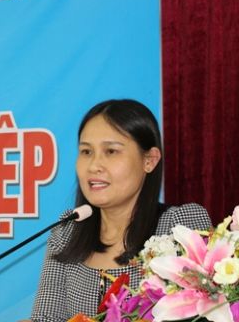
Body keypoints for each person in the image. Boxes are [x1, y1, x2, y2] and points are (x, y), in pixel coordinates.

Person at [29, 99, 212, 322]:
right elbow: (45, 317)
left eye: (111, 151)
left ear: (149, 160)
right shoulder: (67, 232)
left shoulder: (180, 227)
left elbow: (206, 309)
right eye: (86, 151)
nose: (94, 165)